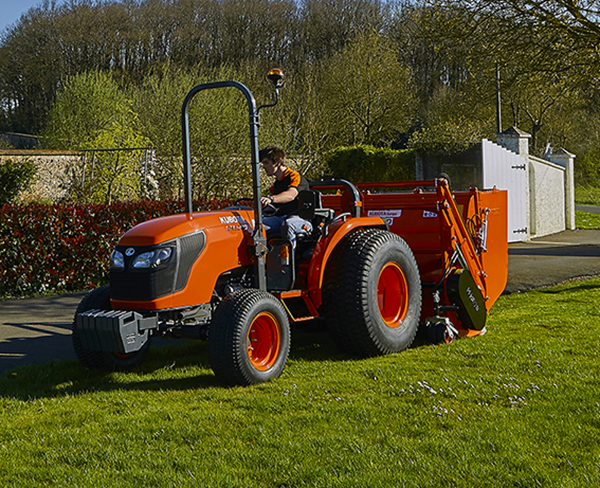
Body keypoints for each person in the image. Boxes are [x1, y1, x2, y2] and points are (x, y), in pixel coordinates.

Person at [258, 145, 312, 249]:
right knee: (257, 225)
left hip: (300, 219)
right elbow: (274, 206)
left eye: (266, 163)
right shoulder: (277, 183)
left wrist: (271, 199)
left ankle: (288, 263)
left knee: (288, 224)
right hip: (281, 217)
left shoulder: (295, 177)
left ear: (277, 162)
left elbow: (290, 195)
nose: (264, 167)